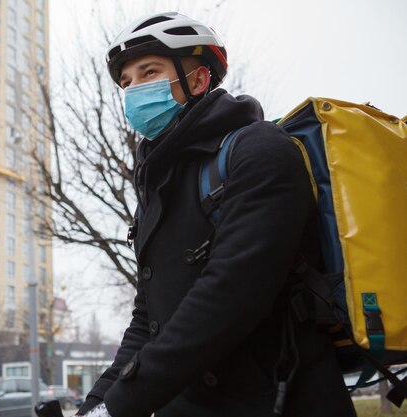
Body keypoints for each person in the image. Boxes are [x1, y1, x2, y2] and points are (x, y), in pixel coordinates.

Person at [75, 12, 357, 417]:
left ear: (198, 80)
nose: (134, 89)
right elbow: (147, 320)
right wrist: (95, 404)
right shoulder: (156, 187)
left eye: (148, 72)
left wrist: (121, 406)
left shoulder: (260, 150)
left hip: (280, 401)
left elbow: (230, 296)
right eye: (127, 82)